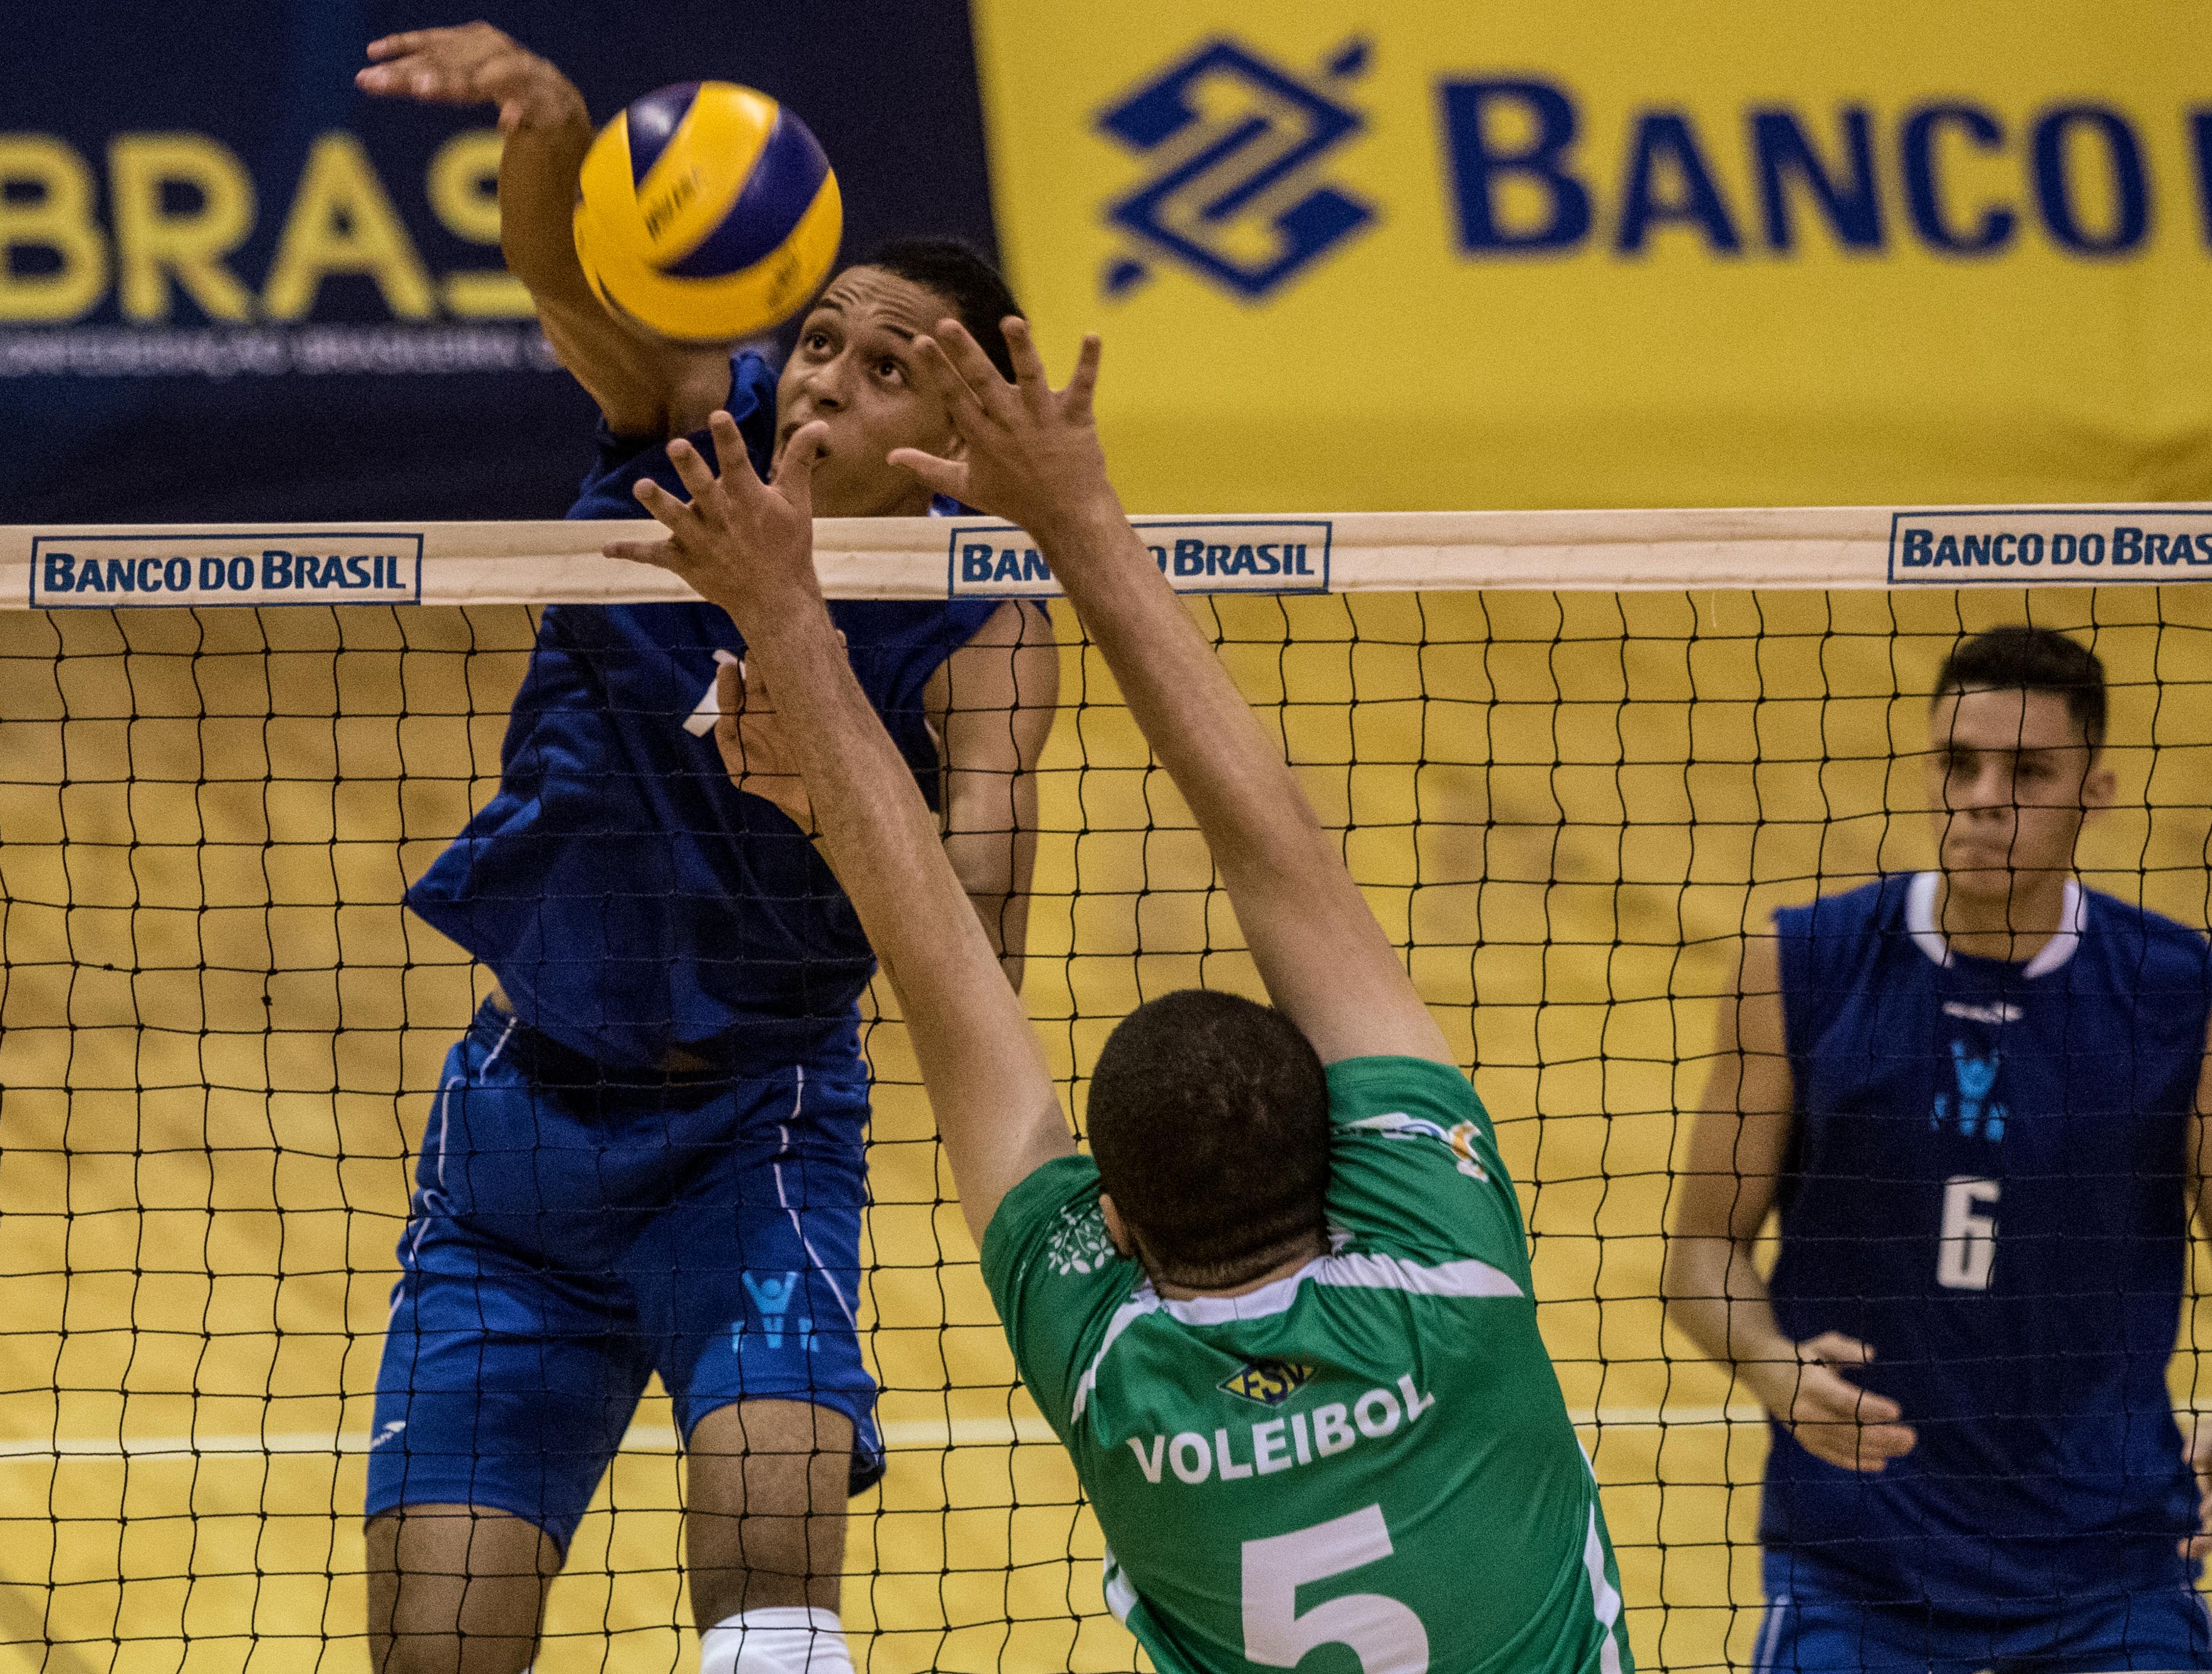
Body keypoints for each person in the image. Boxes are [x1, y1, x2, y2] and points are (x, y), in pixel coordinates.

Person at [610, 314, 1634, 1673]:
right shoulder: (1445, 1266)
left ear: (1116, 1218)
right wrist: (1075, 513)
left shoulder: (1108, 1359)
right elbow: (1277, 855)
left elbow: (937, 970)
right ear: (1347, 1156)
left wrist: (783, 620)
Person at [355, 26, 1058, 1674]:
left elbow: (983, 930)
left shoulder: (980, 621)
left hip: (754, 1145)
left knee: (771, 1585)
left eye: (886, 371)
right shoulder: (689, 429)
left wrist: (833, 780)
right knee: (439, 1647)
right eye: (821, 340)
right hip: (517, 1154)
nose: (821, 379)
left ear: (952, 432)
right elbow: (570, 276)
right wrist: (552, 128)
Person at [1663, 626, 2212, 1673]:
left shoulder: (2181, 994)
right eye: (1959, 764)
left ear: (2094, 791)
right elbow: (1699, 1256)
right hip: (1860, 1570)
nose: (1982, 796)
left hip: (2111, 1572)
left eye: (2027, 771)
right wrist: (1772, 1370)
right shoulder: (1798, 966)